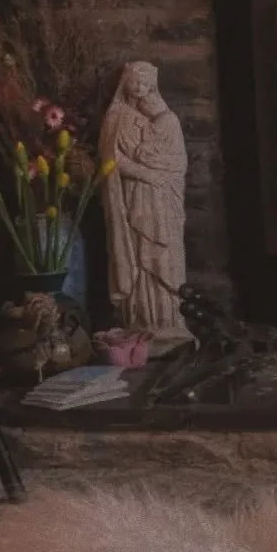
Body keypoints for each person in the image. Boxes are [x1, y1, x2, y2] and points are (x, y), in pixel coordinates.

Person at [99, 61, 191, 348]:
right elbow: (112, 161)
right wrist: (149, 174)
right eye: (135, 81)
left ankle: (169, 320)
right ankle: (142, 321)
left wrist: (160, 173)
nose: (140, 88)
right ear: (125, 81)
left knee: (167, 253)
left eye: (146, 83)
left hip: (163, 200)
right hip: (137, 195)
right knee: (139, 253)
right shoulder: (117, 116)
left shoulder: (166, 119)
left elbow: (178, 162)